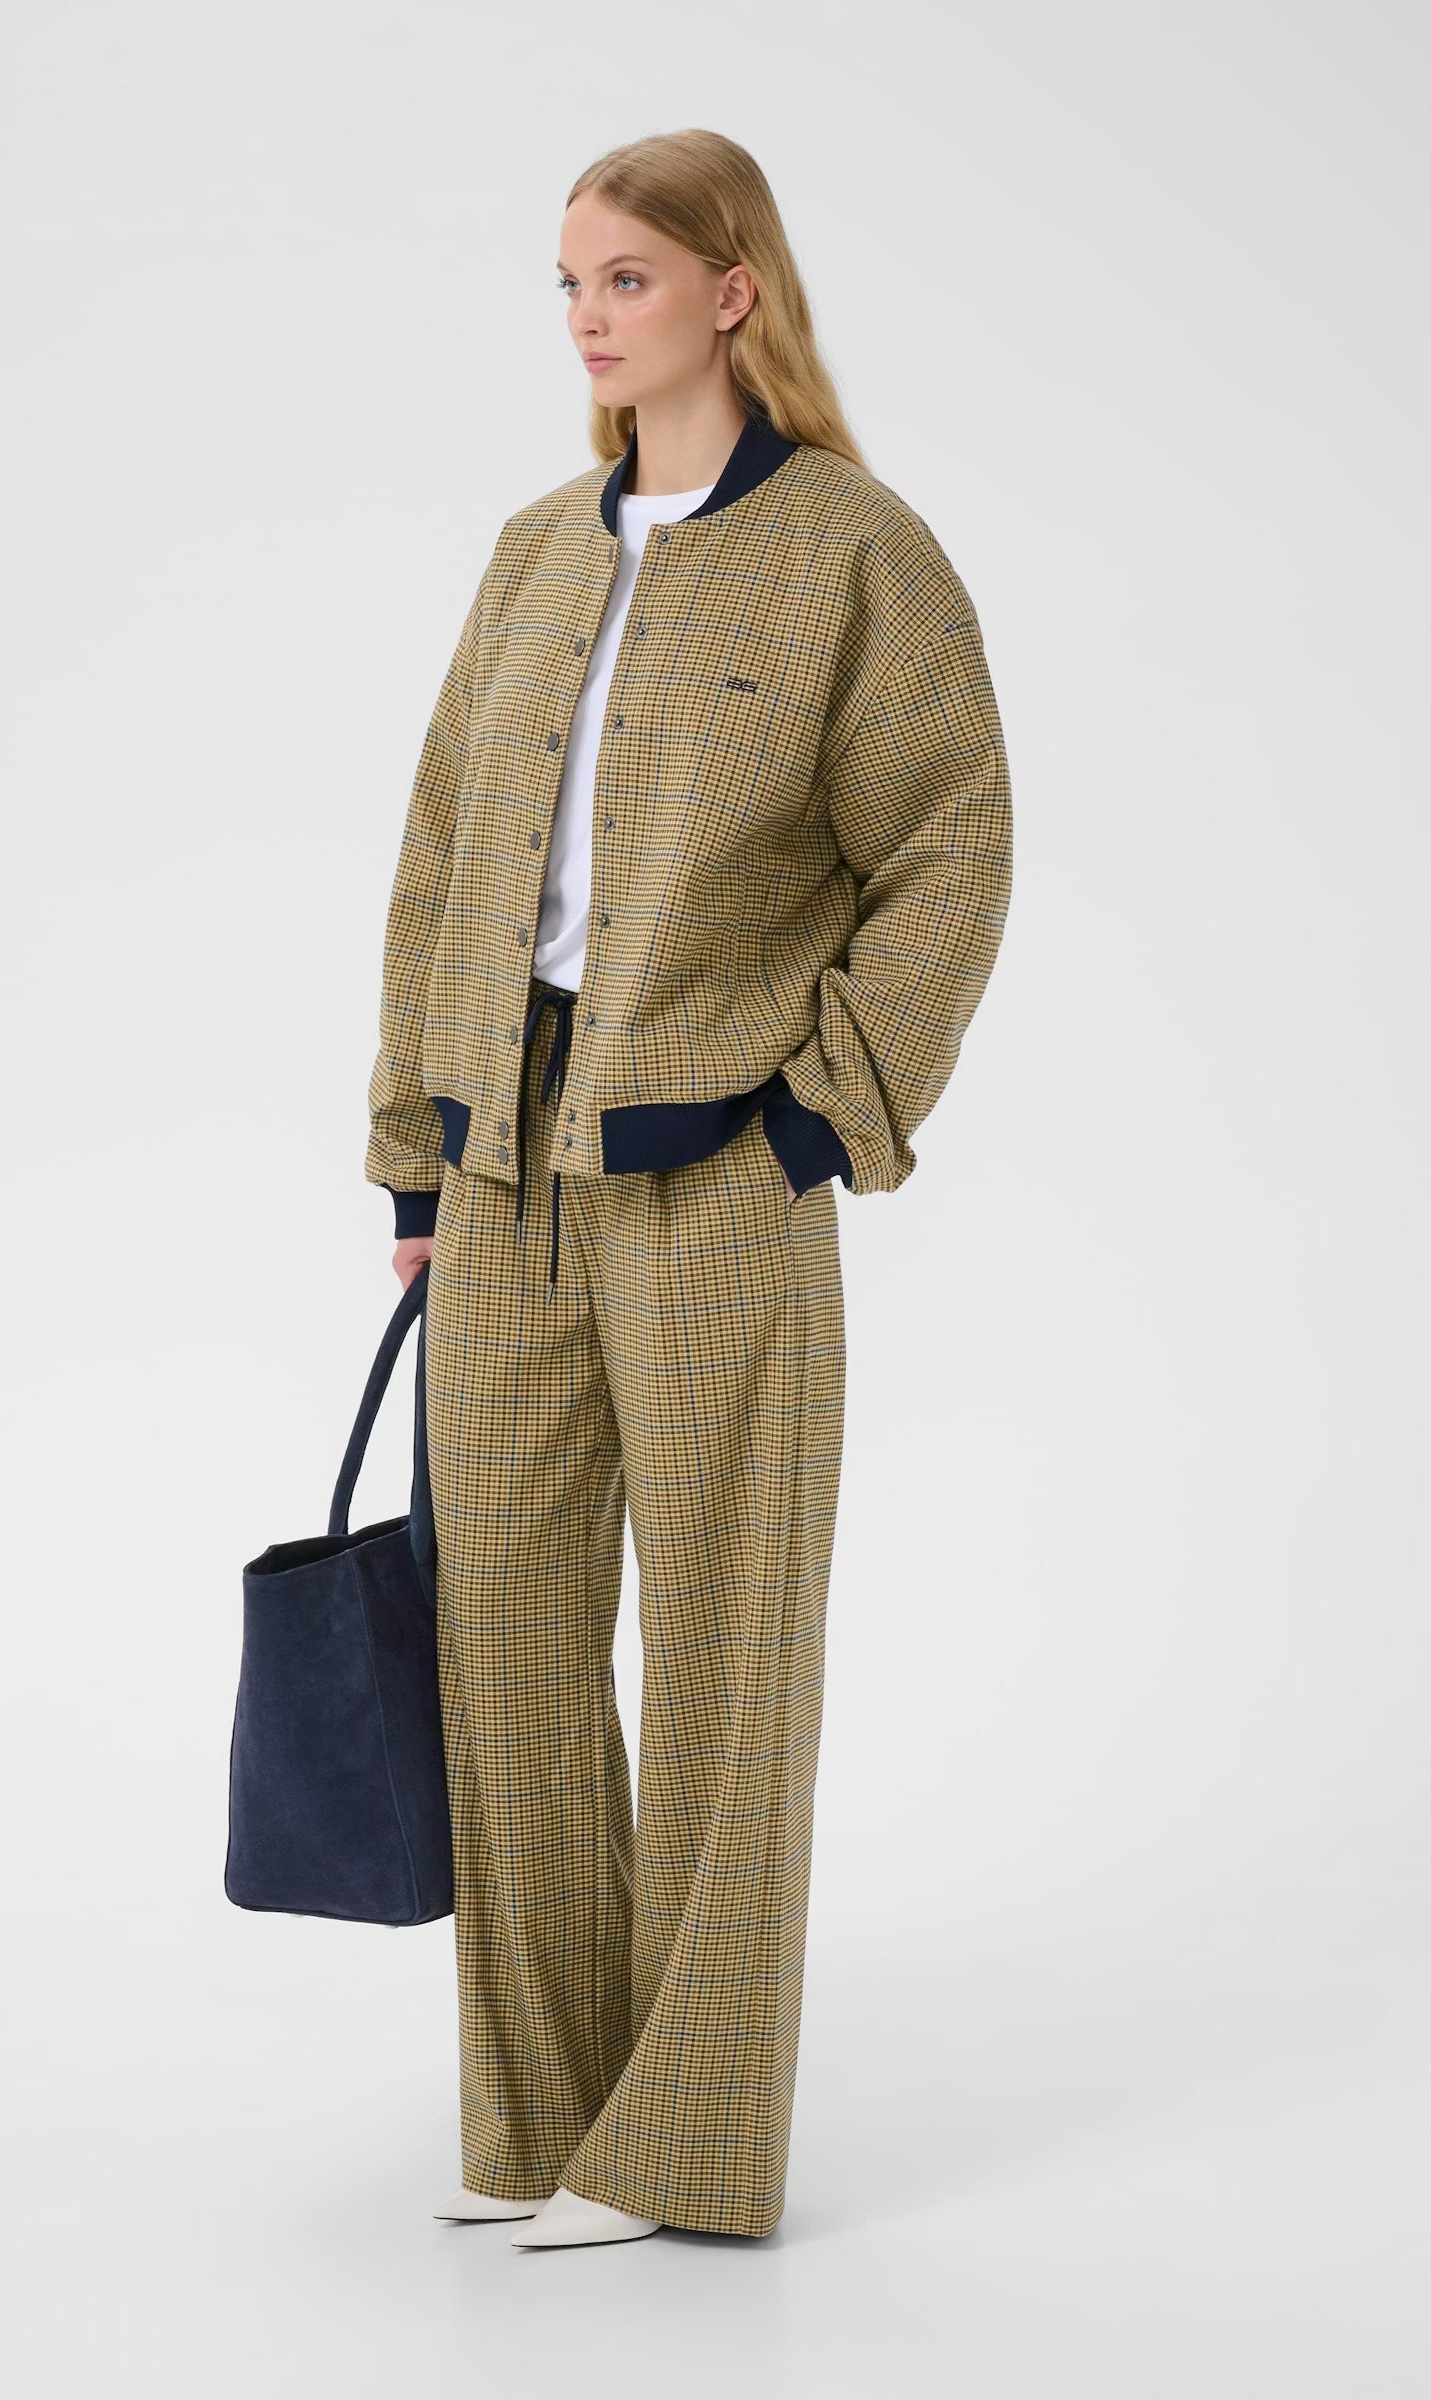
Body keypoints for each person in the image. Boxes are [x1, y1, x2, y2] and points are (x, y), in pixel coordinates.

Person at [363, 127, 1013, 2250]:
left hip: (719, 1166)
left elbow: (948, 846)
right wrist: (414, 1152)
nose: (586, 318)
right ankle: (543, 2121)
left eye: (625, 278)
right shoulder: (533, 551)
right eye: (567, 282)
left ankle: (686, 2146)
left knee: (729, 1661)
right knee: (507, 1657)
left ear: (732, 289)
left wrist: (822, 1116)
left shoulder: (852, 553)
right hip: (505, 1169)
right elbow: (442, 854)